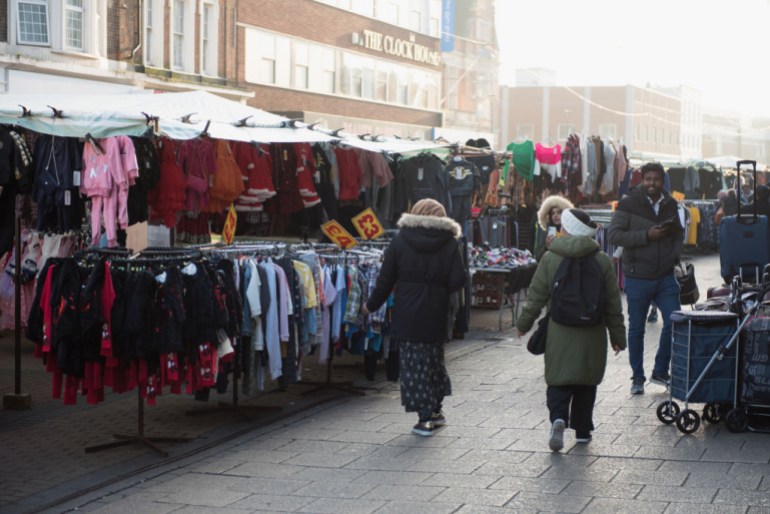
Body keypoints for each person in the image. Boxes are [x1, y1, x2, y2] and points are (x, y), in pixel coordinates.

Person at [516, 209, 626, 451]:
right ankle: (583, 429)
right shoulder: (602, 260)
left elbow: (536, 296)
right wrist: (618, 337)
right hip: (592, 331)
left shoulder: (550, 257)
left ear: (565, 229)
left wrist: (523, 324)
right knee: (586, 381)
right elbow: (612, 304)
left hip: (559, 329)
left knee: (559, 379)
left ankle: (558, 418)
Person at [362, 198, 467, 437]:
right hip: (437, 311)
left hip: (408, 313)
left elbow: (385, 280)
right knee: (434, 362)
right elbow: (458, 280)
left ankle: (425, 418)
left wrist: (371, 305)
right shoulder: (450, 243)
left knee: (413, 366)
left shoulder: (400, 240)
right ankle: (436, 411)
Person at [608, 162, 684, 395]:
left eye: (656, 180)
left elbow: (678, 233)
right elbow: (614, 235)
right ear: (642, 179)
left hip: (665, 276)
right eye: (648, 179)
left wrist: (674, 255)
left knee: (676, 322)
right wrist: (647, 235)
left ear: (662, 181)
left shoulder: (671, 203)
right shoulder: (629, 202)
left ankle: (660, 371)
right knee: (637, 328)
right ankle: (637, 376)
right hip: (637, 275)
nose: (652, 183)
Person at [533, 195, 574, 261]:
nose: (555, 215)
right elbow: (538, 256)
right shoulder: (546, 231)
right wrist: (546, 246)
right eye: (553, 213)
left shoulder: (571, 232)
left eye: (559, 212)